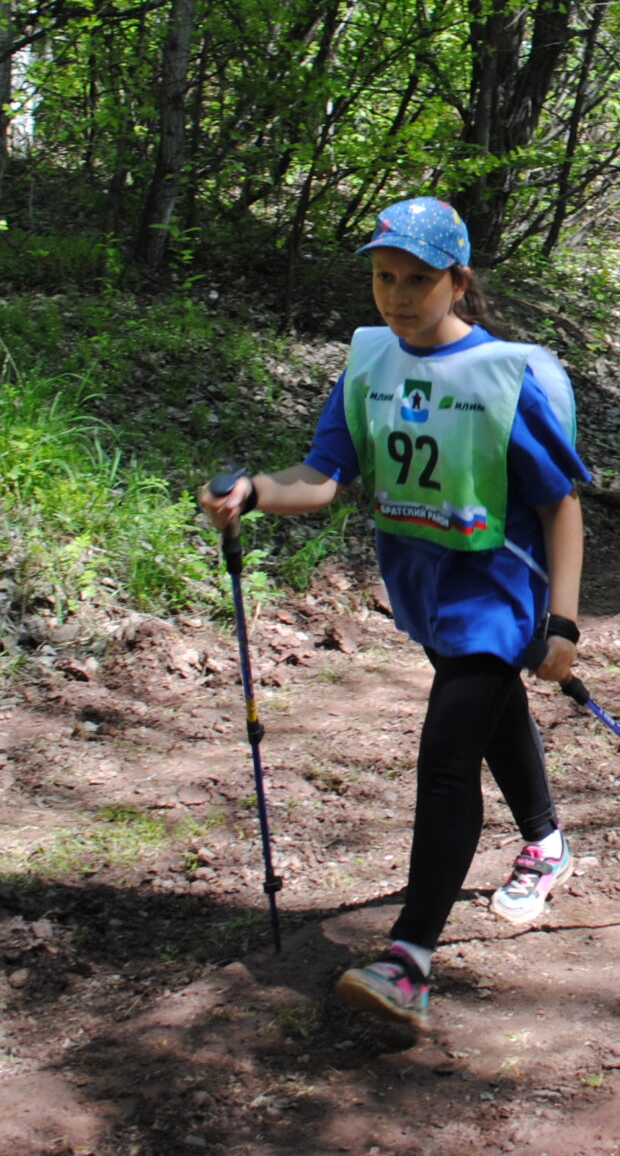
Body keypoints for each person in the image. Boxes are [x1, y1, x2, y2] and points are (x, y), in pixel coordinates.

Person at [198, 197, 587, 1035]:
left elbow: (561, 506)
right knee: (486, 713)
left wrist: (563, 624)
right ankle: (546, 841)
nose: (397, 296)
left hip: (499, 591)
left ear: (457, 280)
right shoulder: (369, 363)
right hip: (423, 587)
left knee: (447, 755)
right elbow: (324, 474)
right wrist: (257, 492)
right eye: (383, 277)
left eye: (417, 279)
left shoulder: (501, 377)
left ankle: (409, 958)